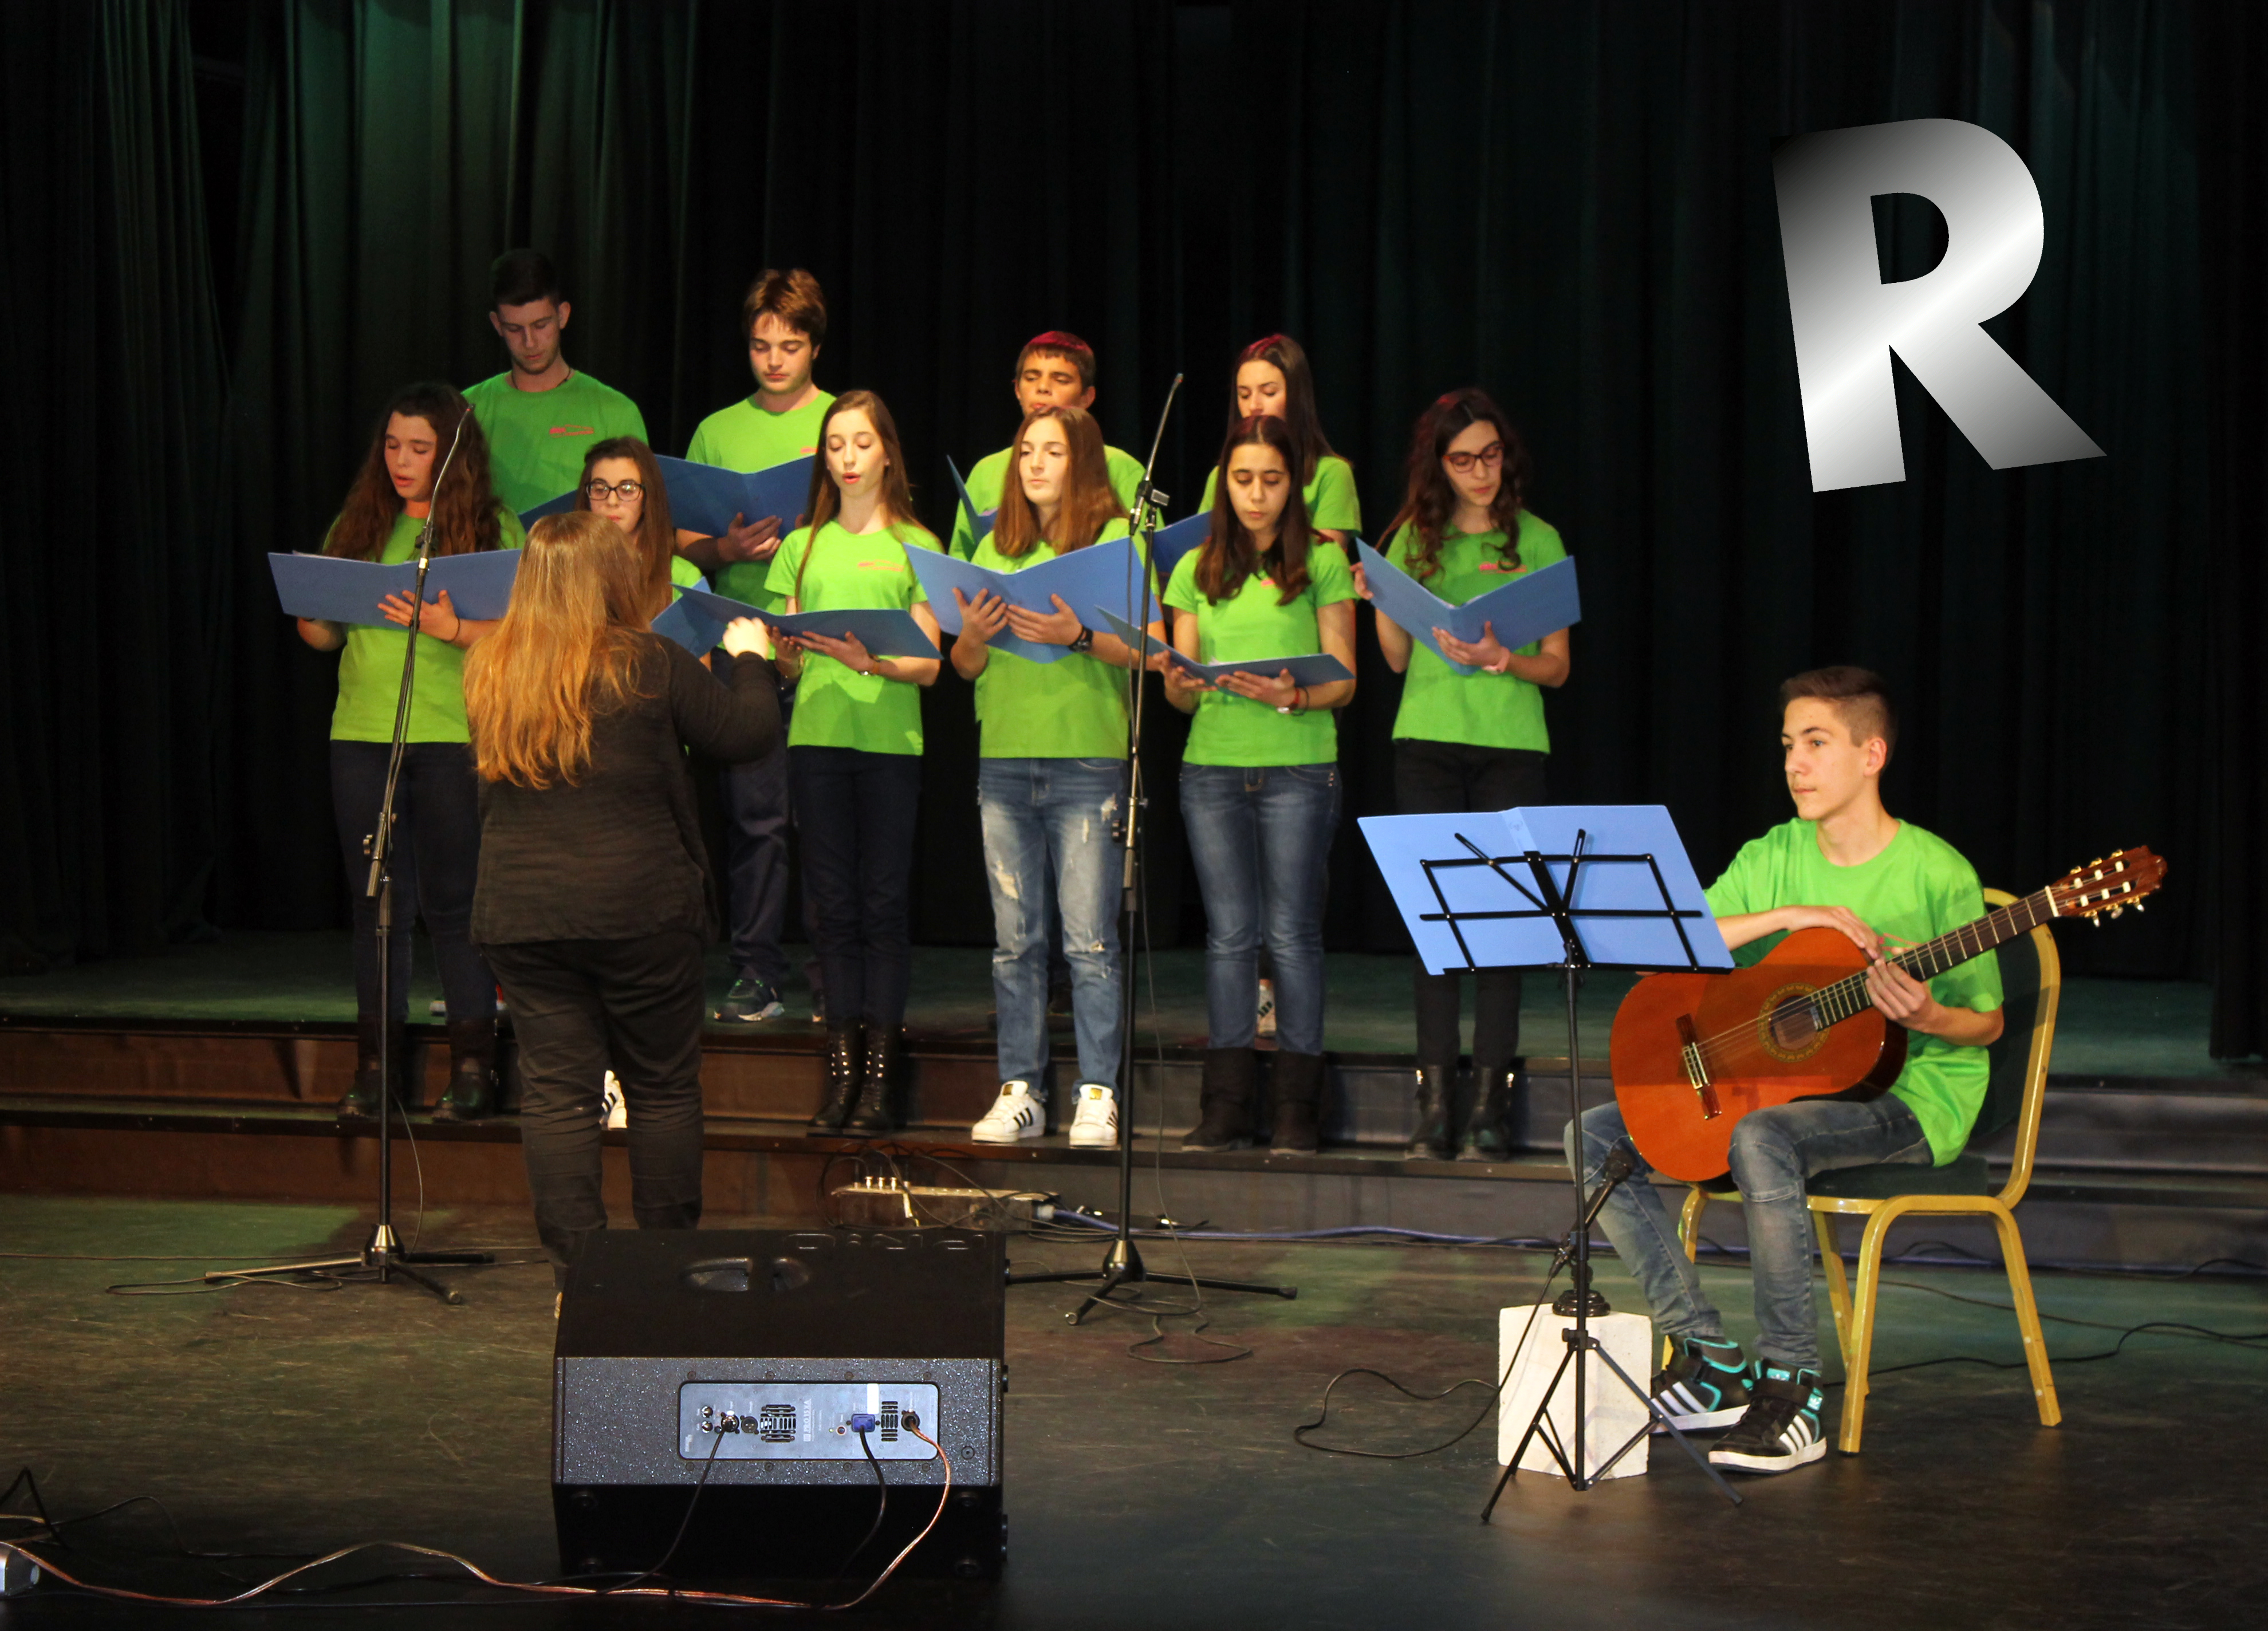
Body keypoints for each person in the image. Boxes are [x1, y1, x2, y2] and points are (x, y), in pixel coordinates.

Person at [1569, 668, 2003, 1475]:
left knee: (1764, 1138)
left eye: (1816, 743)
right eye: (1787, 745)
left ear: (1871, 755)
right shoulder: (1775, 853)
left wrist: (1926, 1016)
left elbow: (1987, 1021)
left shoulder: (1938, 871)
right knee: (1592, 1137)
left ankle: (1792, 1386)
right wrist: (1792, 915)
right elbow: (1659, 946)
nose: (1795, 764)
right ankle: (1709, 1359)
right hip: (1776, 1085)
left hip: (1912, 1098)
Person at [463, 511, 780, 1289]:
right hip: (641, 909)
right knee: (662, 1087)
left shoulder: (491, 663)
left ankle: (584, 1284)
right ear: (612, 577)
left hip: (525, 912)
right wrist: (751, 660)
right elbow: (745, 735)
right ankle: (665, 1271)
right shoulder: (648, 662)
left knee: (557, 1095)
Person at [294, 383, 522, 1123]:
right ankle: (378, 1069)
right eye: (392, 445)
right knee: (378, 905)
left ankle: (474, 1068)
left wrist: (452, 629)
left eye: (419, 448)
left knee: (456, 905)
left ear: (451, 453)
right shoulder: (362, 521)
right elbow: (323, 636)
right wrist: (313, 614)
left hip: (453, 734)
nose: (401, 460)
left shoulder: (490, 527)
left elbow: (524, 631)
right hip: (364, 734)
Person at [1356, 389, 1570, 1161]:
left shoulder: (1537, 538)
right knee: (1437, 927)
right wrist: (1379, 598)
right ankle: (1435, 1101)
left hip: (1510, 744)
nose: (1481, 471)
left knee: (1504, 927)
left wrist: (1503, 658)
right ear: (1438, 466)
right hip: (1427, 743)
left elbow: (1558, 667)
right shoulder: (1413, 537)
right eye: (1463, 459)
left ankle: (1489, 1105)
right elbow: (1395, 658)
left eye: (1491, 454)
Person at [952, 405, 1160, 1148]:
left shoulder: (1113, 544)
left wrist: (1077, 635)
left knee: (1089, 942)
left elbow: (1153, 648)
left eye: (1053, 451)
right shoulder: (993, 546)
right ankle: (1022, 1089)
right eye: (1026, 451)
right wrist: (973, 634)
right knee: (1015, 941)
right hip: (1006, 759)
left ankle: (1097, 1091)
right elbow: (965, 666)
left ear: (1084, 463)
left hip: (1085, 761)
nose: (1035, 463)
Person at [1164, 414, 1358, 1154]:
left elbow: (1344, 678)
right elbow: (1183, 693)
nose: (1255, 495)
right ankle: (1226, 1104)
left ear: (1292, 487)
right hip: (1213, 766)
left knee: (1293, 934)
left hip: (1299, 766)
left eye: (1271, 481)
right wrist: (1179, 681)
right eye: (1243, 480)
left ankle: (1297, 1108)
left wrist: (1294, 696)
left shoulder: (1322, 561)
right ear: (1224, 485)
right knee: (1229, 938)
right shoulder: (1195, 566)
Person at [765, 391, 945, 1136]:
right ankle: (840, 1076)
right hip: (817, 739)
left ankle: (880, 1081)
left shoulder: (916, 543)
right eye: (835, 444)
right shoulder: (802, 545)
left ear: (887, 453)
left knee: (882, 905)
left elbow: (930, 663)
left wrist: (871, 662)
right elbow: (784, 662)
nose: (847, 457)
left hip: (888, 744)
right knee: (831, 909)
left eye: (861, 442)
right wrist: (786, 652)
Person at [684, 269, 834, 1026]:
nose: (774, 360)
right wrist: (728, 546)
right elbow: (681, 539)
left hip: (826, 642)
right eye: (760, 346)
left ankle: (836, 970)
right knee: (756, 818)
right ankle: (756, 970)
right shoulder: (718, 430)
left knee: (828, 819)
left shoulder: (842, 419)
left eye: (790, 346)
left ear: (815, 346)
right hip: (743, 645)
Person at [464, 250, 648, 517]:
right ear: (497, 324)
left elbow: (640, 519)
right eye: (515, 329)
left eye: (541, 325)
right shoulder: (468, 409)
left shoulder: (616, 412)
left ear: (563, 315)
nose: (529, 342)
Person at [948, 332, 1147, 561]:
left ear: (1087, 397)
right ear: (1017, 390)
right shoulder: (986, 471)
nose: (1043, 387)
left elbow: (1145, 554)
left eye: (1061, 380)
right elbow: (963, 557)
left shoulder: (1122, 468)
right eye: (1031, 378)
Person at [1196, 334, 1361, 545]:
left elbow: (1327, 558)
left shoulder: (1331, 473)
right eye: (1244, 395)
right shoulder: (1221, 475)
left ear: (1297, 397)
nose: (1254, 406)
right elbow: (1202, 551)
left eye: (1269, 392)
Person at [576, 436, 706, 616]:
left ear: (647, 497)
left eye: (627, 490)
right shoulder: (567, 568)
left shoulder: (682, 576)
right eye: (600, 489)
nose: (612, 501)